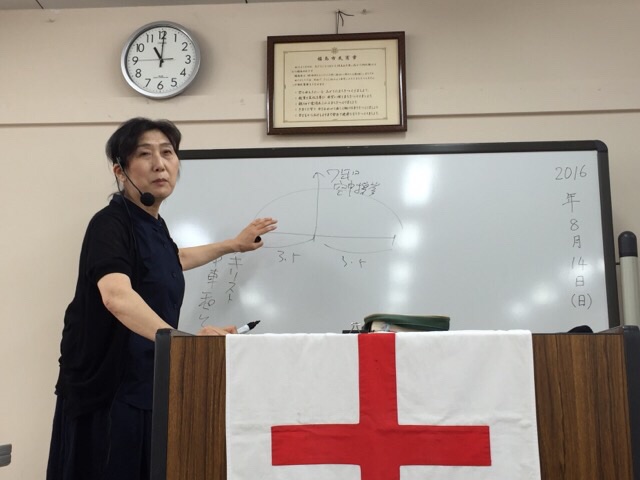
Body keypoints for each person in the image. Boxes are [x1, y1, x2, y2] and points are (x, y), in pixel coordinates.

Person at [46, 117, 277, 480]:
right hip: (109, 392)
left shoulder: (153, 224)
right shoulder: (110, 223)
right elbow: (116, 296)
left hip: (148, 384)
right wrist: (185, 344)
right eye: (145, 154)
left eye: (167, 153)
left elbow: (173, 259)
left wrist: (233, 244)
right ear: (120, 170)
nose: (160, 164)